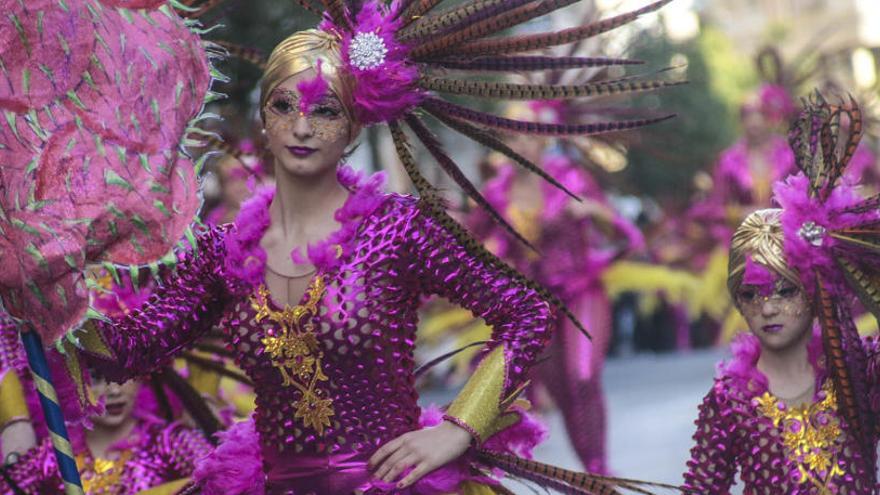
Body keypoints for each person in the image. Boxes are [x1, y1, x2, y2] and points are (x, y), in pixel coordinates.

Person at [682, 93, 880, 494]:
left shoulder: (857, 372)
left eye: (784, 290)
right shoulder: (731, 400)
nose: (768, 306)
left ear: (812, 289)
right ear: (738, 302)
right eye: (751, 295)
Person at [0, 373, 213, 495]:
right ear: (68, 386)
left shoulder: (170, 441)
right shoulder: (51, 457)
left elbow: (224, 479)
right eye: (96, 378)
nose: (114, 391)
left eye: (123, 377)